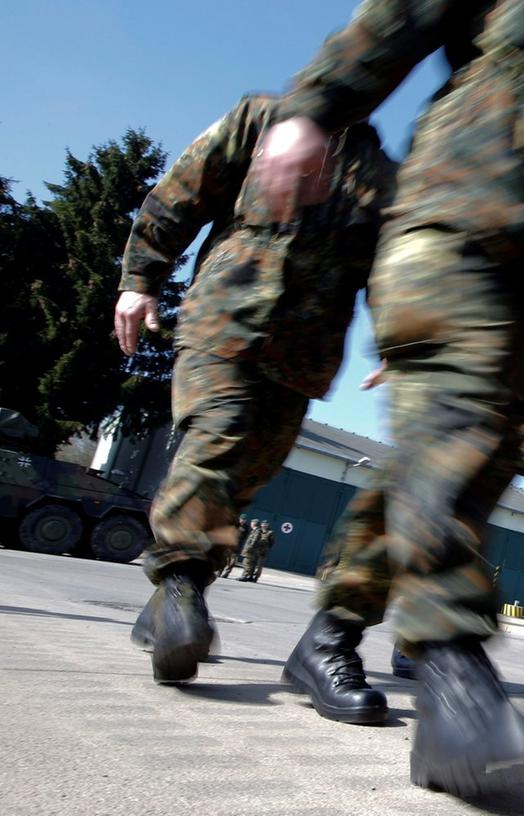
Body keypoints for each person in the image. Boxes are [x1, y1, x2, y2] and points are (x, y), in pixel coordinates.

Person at [248, 0, 524, 798]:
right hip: (459, 202)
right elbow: (401, 14)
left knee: (445, 471)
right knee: (452, 444)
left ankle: (331, 631)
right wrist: (314, 110)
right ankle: (454, 684)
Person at [117, 93, 394, 685]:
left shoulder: (382, 174)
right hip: (227, 319)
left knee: (243, 479)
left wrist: (399, 342)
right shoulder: (266, 118)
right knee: (217, 441)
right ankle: (183, 585)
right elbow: (182, 191)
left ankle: (169, 599)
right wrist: (140, 279)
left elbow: (390, 270)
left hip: (303, 355)